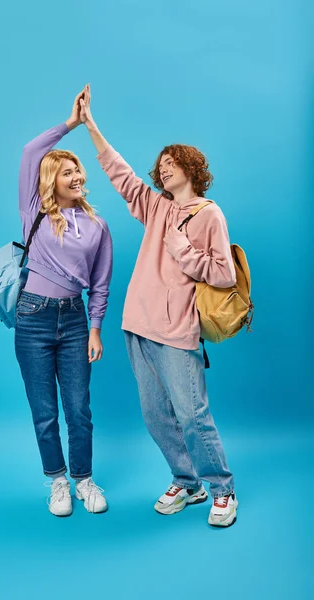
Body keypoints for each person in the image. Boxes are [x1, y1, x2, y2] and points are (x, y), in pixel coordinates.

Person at [79, 84, 238, 527]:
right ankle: (187, 483)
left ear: (191, 168)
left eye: (172, 164)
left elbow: (224, 273)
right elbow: (121, 174)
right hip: (137, 325)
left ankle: (222, 489)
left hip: (177, 331)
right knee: (154, 414)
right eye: (161, 166)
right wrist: (91, 125)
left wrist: (183, 249)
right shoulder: (156, 207)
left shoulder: (209, 214)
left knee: (192, 414)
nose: (164, 170)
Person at [15, 87, 113, 517]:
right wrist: (71, 123)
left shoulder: (98, 225)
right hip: (33, 317)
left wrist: (95, 329)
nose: (77, 176)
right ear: (50, 178)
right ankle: (56, 482)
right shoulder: (33, 208)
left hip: (74, 321)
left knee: (79, 409)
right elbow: (31, 149)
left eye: (79, 170)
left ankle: (84, 480)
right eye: (67, 171)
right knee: (44, 412)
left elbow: (102, 284)